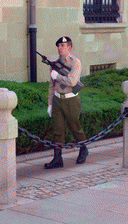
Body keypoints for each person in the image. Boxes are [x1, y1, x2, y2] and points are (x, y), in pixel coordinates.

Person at [44, 36, 88, 169]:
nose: (60, 48)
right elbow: (52, 85)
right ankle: (57, 158)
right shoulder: (54, 64)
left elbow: (72, 81)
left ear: (69, 47)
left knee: (75, 127)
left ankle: (83, 149)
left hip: (71, 100)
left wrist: (58, 76)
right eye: (58, 46)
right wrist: (50, 103)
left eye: (63, 46)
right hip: (57, 99)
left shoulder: (75, 62)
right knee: (58, 130)